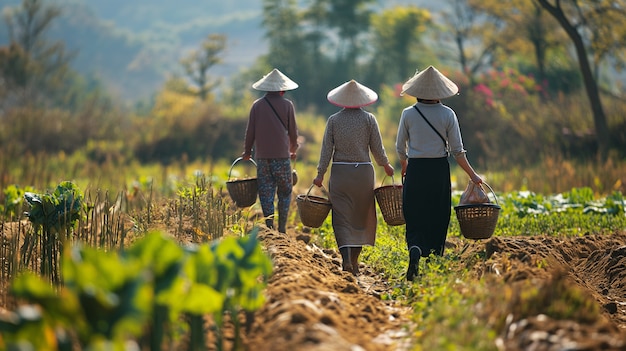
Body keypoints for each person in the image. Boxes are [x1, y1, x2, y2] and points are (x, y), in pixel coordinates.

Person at [396, 65, 483, 281]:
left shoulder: (408, 114)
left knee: (414, 212)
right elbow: (457, 152)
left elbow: (400, 148)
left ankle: (415, 246)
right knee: (437, 213)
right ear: (440, 93)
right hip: (438, 171)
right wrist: (473, 176)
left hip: (415, 169)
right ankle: (434, 257)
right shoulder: (447, 114)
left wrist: (405, 165)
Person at [313, 80, 394, 275]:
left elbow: (326, 151)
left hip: (341, 173)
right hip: (363, 175)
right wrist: (386, 165)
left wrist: (320, 174)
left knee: (341, 218)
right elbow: (377, 149)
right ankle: (355, 262)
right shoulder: (369, 119)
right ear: (362, 101)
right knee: (360, 217)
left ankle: (346, 259)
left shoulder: (333, 120)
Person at [242, 68, 299, 234]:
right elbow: (293, 133)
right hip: (282, 157)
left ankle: (269, 227)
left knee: (266, 192)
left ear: (266, 88)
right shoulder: (288, 105)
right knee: (285, 191)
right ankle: (282, 227)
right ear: (282, 90)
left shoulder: (257, 106)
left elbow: (250, 132)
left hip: (263, 158)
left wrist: (247, 152)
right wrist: (293, 149)